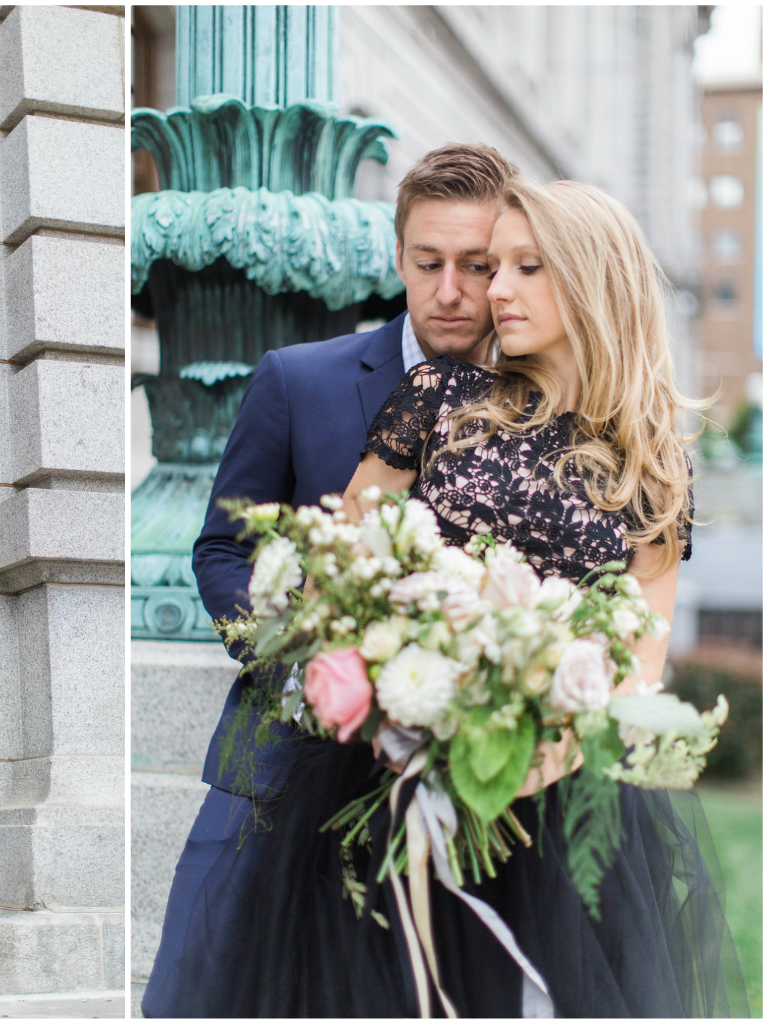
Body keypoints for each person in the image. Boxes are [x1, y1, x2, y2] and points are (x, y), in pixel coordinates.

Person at [162, 177, 748, 1015]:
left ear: (593, 278)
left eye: (523, 267)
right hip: (391, 778)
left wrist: (549, 749)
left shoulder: (651, 465)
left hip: (566, 806)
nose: (492, 290)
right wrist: (407, 695)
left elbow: (639, 662)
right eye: (490, 266)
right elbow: (342, 570)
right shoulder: (437, 401)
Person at [142, 143, 519, 1014]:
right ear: (399, 259)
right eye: (430, 263)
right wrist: (293, 655)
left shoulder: (542, 405)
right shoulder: (297, 380)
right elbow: (221, 552)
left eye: (477, 265)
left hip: (471, 787)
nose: (452, 290)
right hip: (281, 757)